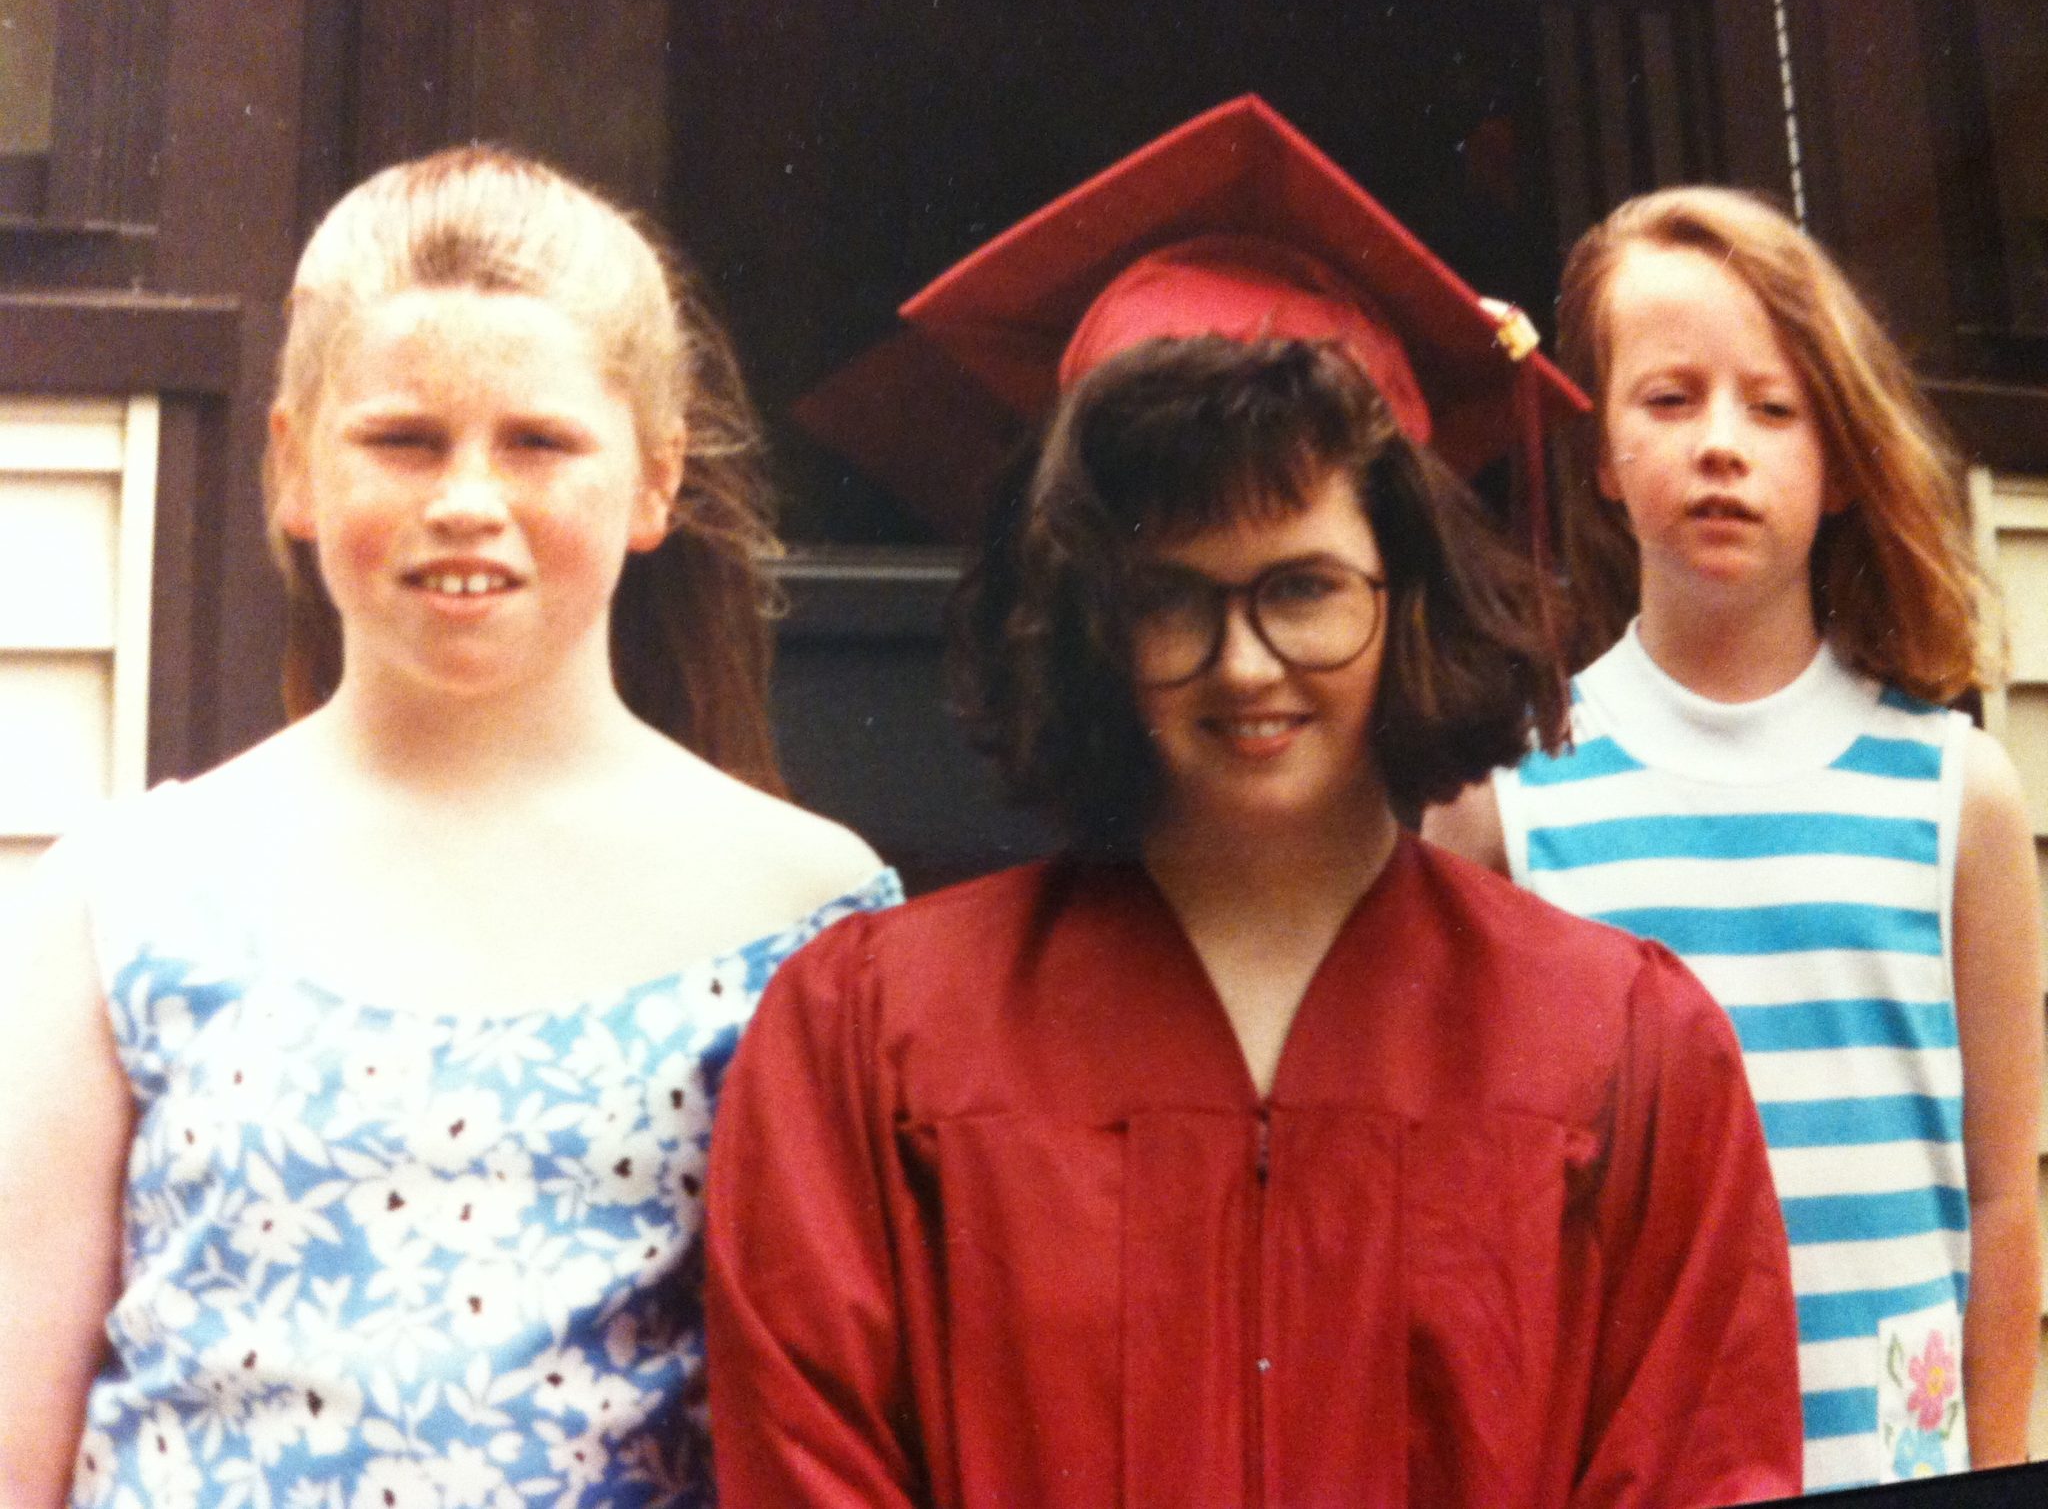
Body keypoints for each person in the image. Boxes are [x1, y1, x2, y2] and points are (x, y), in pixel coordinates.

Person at [706, 98, 1802, 1508]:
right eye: (1168, 598)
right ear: (1085, 619)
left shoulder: (1622, 1049)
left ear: (1411, 588)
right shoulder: (871, 1039)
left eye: (1303, 588)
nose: (1241, 664)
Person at [0, 146, 895, 1507]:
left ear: (655, 481)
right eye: (404, 440)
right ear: (295, 468)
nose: (467, 498)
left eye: (538, 442)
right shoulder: (121, 902)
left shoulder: (808, 919)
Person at [1424, 185, 2043, 1491]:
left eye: (1774, 407)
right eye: (1669, 398)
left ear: (1841, 463)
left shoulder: (1959, 791)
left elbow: (2003, 1197)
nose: (1721, 444)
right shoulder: (1507, 798)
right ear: (1601, 454)